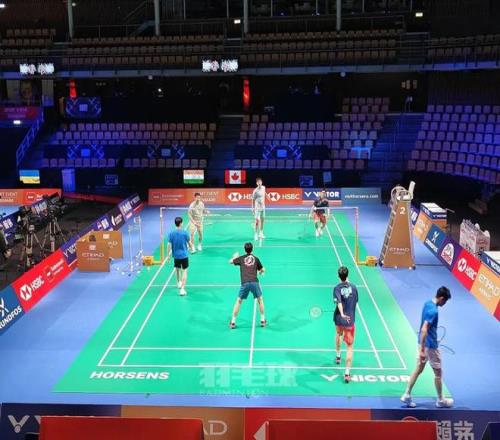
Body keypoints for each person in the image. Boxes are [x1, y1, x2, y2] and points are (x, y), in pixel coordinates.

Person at [401, 286, 453, 408]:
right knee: (438, 373)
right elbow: (425, 329)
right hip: (430, 347)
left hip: (422, 342)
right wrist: (423, 350)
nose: (444, 304)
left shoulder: (427, 303)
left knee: (418, 369)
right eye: (445, 301)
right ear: (441, 298)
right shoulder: (433, 311)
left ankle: (407, 395)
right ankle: (440, 400)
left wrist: (422, 346)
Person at [228, 242, 266, 329]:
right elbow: (262, 269)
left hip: (245, 282)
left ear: (244, 250)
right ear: (252, 249)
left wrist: (235, 257)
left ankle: (233, 322)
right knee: (260, 299)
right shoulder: (256, 259)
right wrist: (262, 271)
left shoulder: (241, 258)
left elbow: (230, 261)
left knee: (239, 301)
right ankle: (262, 320)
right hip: (254, 282)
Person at [333, 266, 359, 383]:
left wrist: (342, 314)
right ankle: (347, 373)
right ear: (347, 275)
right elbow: (356, 301)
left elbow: (338, 302)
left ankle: (338, 356)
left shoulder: (337, 288)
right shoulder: (354, 287)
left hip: (339, 319)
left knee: (338, 334)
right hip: (349, 321)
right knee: (349, 346)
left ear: (338, 276)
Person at [166, 216, 192, 296]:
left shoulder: (171, 233)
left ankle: (179, 282)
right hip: (184, 255)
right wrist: (192, 248)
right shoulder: (185, 233)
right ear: (181, 223)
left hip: (176, 256)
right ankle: (182, 289)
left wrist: (168, 255)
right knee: (185, 271)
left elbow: (168, 245)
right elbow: (189, 242)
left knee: (177, 269)